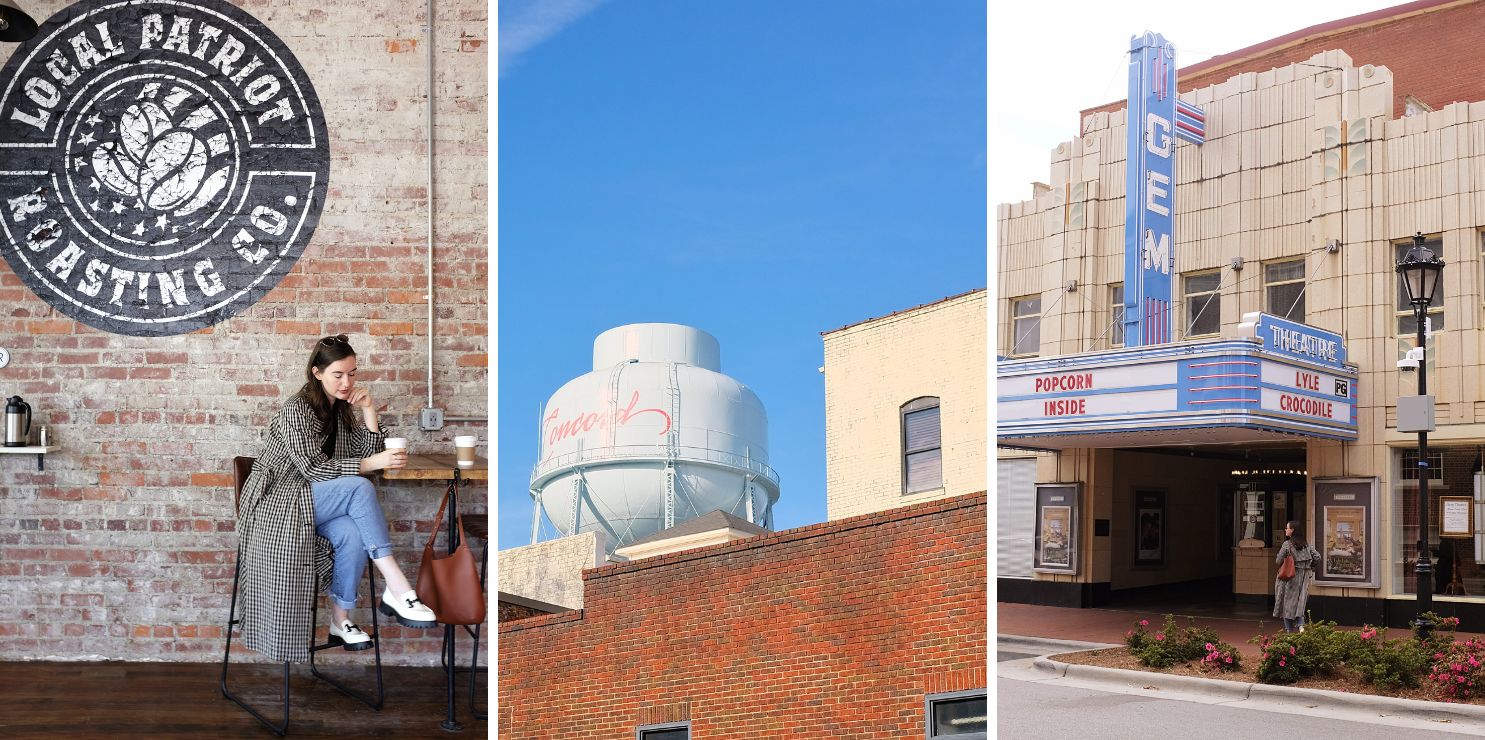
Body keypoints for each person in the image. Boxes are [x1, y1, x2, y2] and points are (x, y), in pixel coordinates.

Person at [235, 335, 437, 661]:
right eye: (338, 375)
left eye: (352, 374)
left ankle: (340, 620)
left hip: (313, 501)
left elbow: (366, 454)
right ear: (317, 373)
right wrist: (370, 464)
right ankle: (399, 587)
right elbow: (315, 469)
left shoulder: (342, 409)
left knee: (353, 532)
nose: (347, 382)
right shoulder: (296, 409)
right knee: (358, 488)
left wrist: (369, 410)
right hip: (278, 502)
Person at [1274, 520, 1320, 633]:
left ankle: (1289, 631)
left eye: (1287, 528)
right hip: (1304, 577)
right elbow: (1317, 557)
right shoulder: (1307, 545)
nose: (1285, 530)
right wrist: (1310, 569)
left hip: (1289, 578)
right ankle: (1300, 625)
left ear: (1292, 530)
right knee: (1300, 601)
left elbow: (1278, 560)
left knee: (1286, 603)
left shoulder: (1287, 544)